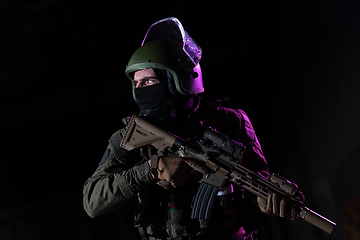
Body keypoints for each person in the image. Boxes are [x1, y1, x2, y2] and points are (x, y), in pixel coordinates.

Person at [83, 18, 292, 240]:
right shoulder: (132, 136)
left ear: (177, 80)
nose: (140, 90)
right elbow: (93, 202)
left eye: (149, 82)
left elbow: (255, 181)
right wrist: (152, 169)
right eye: (137, 84)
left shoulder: (229, 121)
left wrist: (264, 201)